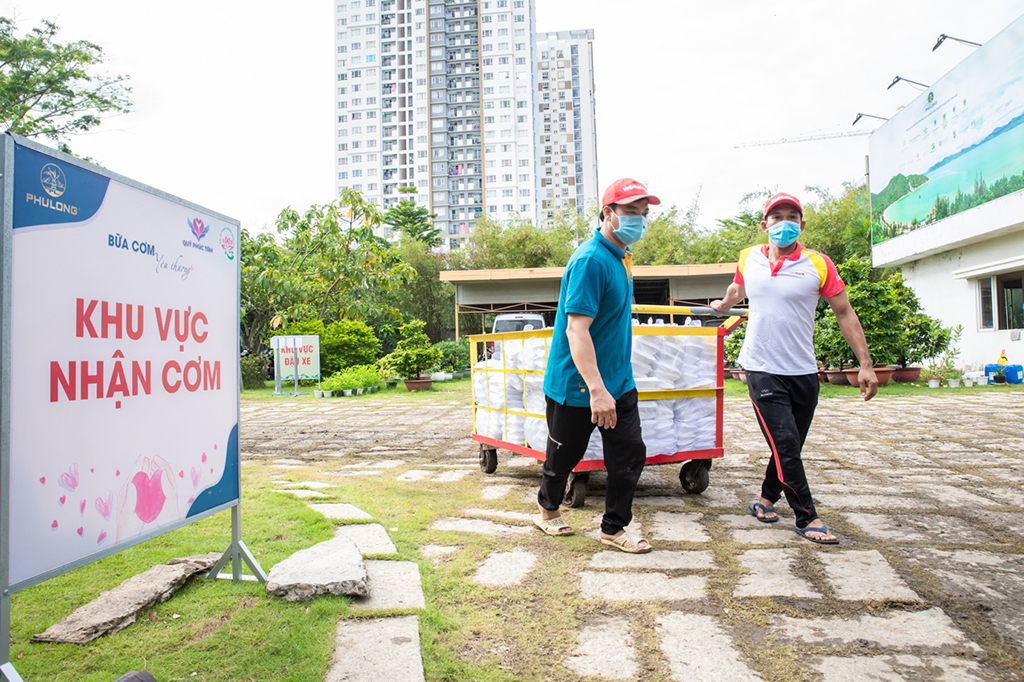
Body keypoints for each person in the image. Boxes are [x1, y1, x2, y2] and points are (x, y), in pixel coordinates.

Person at [711, 192, 877, 545]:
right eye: (776, 216)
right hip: (761, 368)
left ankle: (765, 499)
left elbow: (844, 312)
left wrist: (865, 363)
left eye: (791, 216)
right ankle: (808, 517)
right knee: (785, 443)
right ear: (764, 225)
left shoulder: (819, 264)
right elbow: (738, 288)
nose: (783, 222)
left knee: (788, 446)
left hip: (803, 372)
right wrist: (724, 304)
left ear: (801, 225)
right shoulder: (749, 257)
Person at [533, 178, 659, 553]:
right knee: (563, 458)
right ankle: (547, 511)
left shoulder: (621, 256)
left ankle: (614, 527)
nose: (639, 220)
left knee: (629, 454)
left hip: (618, 382)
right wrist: (596, 390)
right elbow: (576, 330)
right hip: (578, 386)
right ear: (608, 213)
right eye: (631, 212)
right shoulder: (591, 260)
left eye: (644, 213)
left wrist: (612, 385)